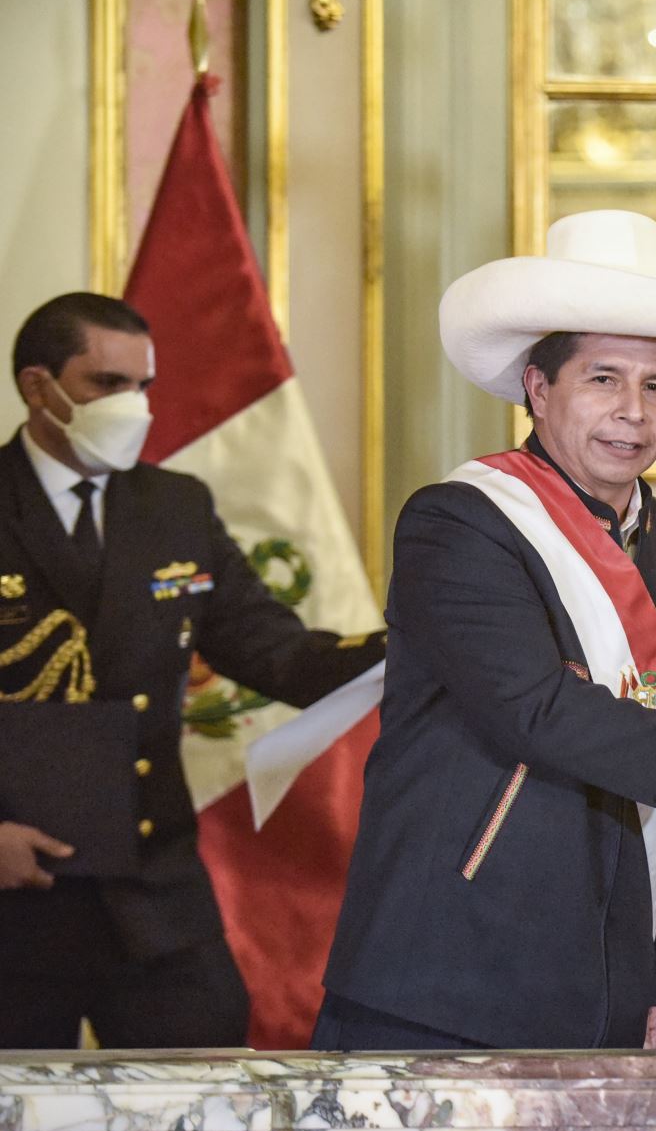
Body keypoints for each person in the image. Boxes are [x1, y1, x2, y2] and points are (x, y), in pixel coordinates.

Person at [315, 210, 656, 1057]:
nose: (633, 413)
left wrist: (655, 976)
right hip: (447, 975)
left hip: (608, 987)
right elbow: (538, 712)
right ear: (538, 388)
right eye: (603, 379)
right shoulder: (460, 523)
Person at [0, 292, 386, 1048]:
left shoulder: (173, 506)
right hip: (17, 895)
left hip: (155, 894)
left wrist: (415, 645)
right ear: (37, 387)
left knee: (207, 1099)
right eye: (107, 384)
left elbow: (276, 652)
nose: (134, 406)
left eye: (143, 385)